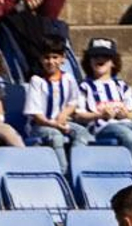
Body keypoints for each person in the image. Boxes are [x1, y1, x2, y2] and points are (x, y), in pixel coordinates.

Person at [76, 36, 132, 171]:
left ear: (113, 62)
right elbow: (78, 116)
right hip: (100, 127)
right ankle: (124, 170)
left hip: (124, 122)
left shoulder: (121, 86)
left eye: (105, 56)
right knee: (128, 137)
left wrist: (125, 114)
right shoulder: (84, 86)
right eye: (95, 56)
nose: (100, 59)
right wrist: (99, 115)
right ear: (88, 61)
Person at [24, 37, 91, 167]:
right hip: (41, 126)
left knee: (82, 133)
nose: (51, 62)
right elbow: (36, 115)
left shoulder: (68, 78)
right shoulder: (37, 81)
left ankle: (77, 166)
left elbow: (73, 101)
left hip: (62, 122)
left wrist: (64, 115)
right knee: (56, 137)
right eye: (46, 58)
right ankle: (63, 171)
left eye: (55, 57)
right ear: (40, 59)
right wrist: (53, 124)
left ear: (62, 58)